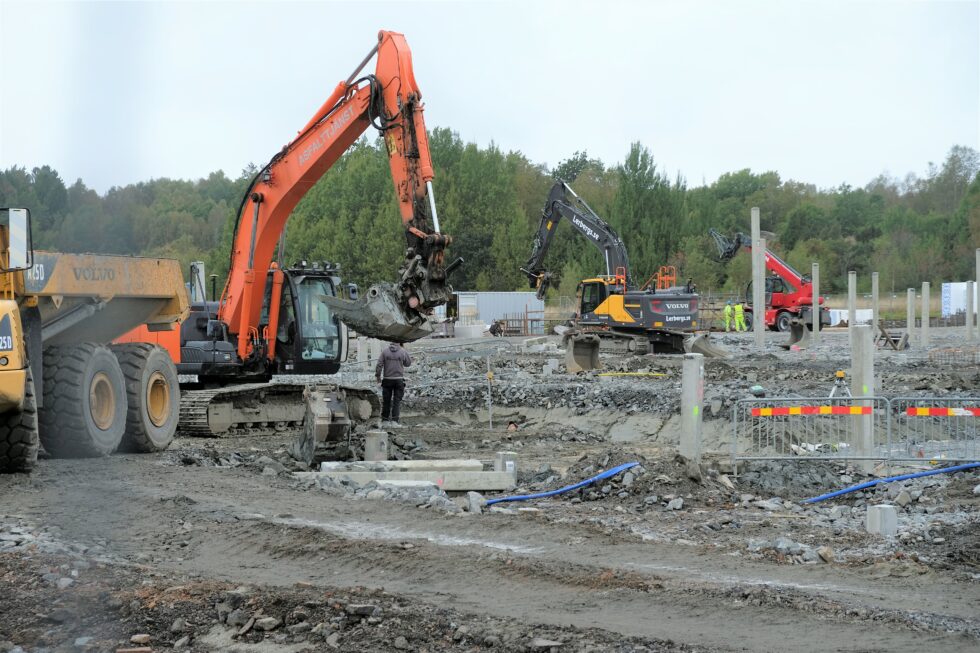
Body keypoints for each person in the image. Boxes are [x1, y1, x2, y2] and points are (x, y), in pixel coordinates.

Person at [376, 342, 412, 428]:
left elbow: (379, 365)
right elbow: (408, 364)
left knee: (386, 401)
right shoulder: (403, 351)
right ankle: (395, 421)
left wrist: (378, 378)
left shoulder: (385, 352)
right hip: (398, 380)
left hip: (387, 380)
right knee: (396, 401)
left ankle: (385, 421)